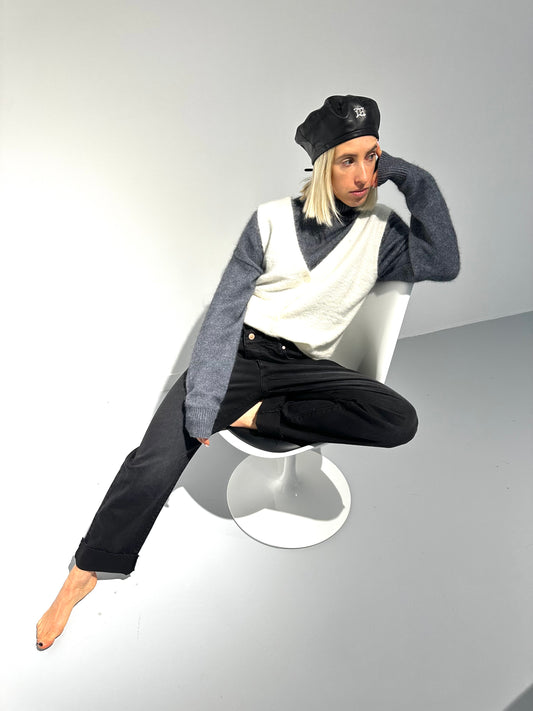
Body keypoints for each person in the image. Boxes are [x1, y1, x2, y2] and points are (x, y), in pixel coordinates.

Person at [36, 95, 460, 650]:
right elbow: (224, 312)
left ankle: (259, 416)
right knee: (154, 461)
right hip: (239, 355)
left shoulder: (382, 234)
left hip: (305, 367)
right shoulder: (270, 220)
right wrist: (205, 400)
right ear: (322, 165)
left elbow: (444, 262)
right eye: (347, 160)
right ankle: (83, 572)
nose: (363, 176)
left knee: (398, 419)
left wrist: (410, 176)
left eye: (373, 157)